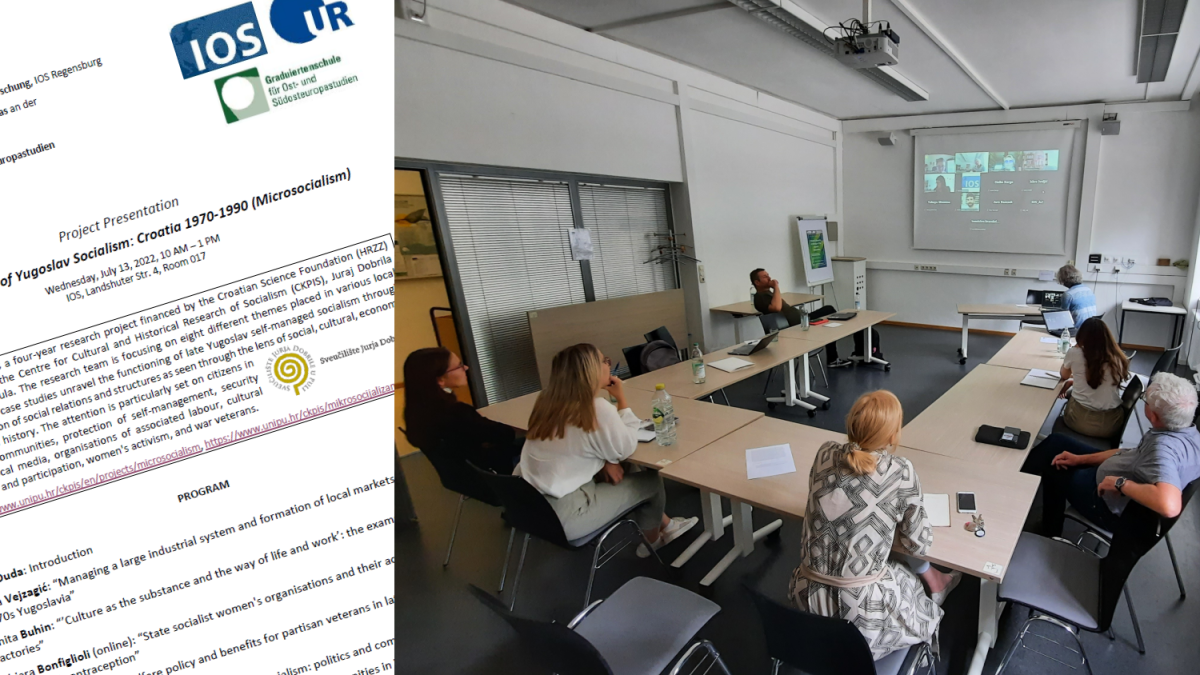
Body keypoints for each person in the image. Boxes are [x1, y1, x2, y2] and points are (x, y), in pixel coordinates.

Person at [789, 391, 960, 661]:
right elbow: (919, 543)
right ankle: (937, 584)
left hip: (806, 601)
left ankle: (936, 580)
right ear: (892, 436)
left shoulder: (825, 452)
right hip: (860, 617)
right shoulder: (900, 471)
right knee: (906, 583)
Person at [519, 343, 697, 556]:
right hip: (568, 515)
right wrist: (622, 400)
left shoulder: (546, 403)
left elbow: (577, 444)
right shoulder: (596, 408)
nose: (608, 365)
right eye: (604, 361)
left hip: (530, 506)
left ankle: (667, 525)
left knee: (624, 466)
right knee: (652, 481)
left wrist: (606, 461)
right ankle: (653, 542)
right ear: (591, 370)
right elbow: (625, 447)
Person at [1022, 372, 1200, 537]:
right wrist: (1080, 459)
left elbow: (1169, 505)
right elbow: (1130, 453)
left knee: (1055, 467)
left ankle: (1048, 530)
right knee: (1057, 442)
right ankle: (1017, 477)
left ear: (1154, 416)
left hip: (1104, 503)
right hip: (1118, 472)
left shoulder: (1163, 449)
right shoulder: (1188, 433)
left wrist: (1120, 483)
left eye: (1145, 400)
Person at [403, 347, 522, 474]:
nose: (466, 367)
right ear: (440, 380)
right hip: (493, 473)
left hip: (461, 477)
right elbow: (506, 434)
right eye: (459, 366)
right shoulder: (457, 413)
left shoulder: (416, 412)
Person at [751, 268, 879, 368]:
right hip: (797, 327)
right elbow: (776, 307)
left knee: (829, 310)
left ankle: (849, 348)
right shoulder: (760, 297)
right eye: (765, 277)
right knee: (829, 320)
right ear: (757, 282)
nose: (769, 278)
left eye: (768, 275)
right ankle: (833, 358)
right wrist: (776, 287)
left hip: (802, 320)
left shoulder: (768, 293)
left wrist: (774, 289)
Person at [1057, 317, 1129, 438]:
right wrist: (1075, 381)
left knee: (1069, 396)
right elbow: (1101, 380)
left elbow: (1064, 375)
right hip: (1112, 424)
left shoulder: (1074, 353)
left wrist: (1072, 354)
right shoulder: (1117, 357)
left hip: (1079, 421)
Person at [1055, 264, 1097, 331]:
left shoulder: (1068, 294)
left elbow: (1063, 317)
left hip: (1077, 331)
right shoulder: (1088, 290)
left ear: (1064, 279)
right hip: (1092, 329)